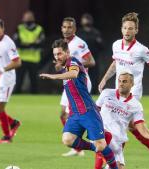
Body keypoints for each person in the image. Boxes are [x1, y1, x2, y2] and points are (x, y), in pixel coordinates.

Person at [98, 12, 149, 168]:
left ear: (136, 30)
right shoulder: (116, 45)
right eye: (125, 28)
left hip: (133, 92)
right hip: (118, 90)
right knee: (127, 125)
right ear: (121, 29)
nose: (127, 31)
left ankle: (112, 162)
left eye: (131, 28)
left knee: (120, 125)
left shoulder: (141, 49)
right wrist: (105, 79)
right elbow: (115, 63)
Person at [40, 39, 119, 169]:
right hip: (75, 113)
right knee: (67, 139)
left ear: (67, 52)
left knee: (101, 146)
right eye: (55, 54)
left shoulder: (73, 62)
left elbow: (74, 73)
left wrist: (53, 76)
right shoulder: (65, 66)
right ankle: (97, 147)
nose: (57, 57)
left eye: (60, 54)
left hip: (88, 111)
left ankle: (113, 166)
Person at [95, 71, 149, 169]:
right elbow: (95, 111)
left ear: (132, 84)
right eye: (119, 81)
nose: (121, 84)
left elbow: (140, 127)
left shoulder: (136, 106)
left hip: (118, 142)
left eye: (124, 81)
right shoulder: (106, 93)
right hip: (103, 137)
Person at [58, 17, 95, 157]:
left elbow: (91, 62)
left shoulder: (79, 43)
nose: (66, 30)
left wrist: (75, 66)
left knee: (73, 113)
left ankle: (90, 143)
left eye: (69, 27)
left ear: (74, 29)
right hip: (68, 82)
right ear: (61, 28)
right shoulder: (62, 44)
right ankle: (76, 145)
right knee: (63, 113)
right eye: (64, 27)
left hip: (80, 82)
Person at [0, 18, 22, 143]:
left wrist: (3, 69)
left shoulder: (8, 43)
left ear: (3, 28)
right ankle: (13, 122)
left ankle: (7, 136)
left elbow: (17, 62)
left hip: (6, 79)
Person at [14, 10, 45, 94]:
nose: (28, 19)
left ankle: (35, 98)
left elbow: (41, 44)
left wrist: (25, 44)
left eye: (30, 17)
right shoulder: (19, 28)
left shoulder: (39, 29)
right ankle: (16, 96)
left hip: (34, 60)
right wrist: (33, 43)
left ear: (33, 18)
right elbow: (17, 44)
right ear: (23, 19)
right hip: (21, 59)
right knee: (19, 81)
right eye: (26, 18)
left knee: (34, 81)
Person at [78, 13, 104, 94]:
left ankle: (93, 93)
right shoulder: (79, 33)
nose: (86, 21)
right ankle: (82, 92)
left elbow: (102, 46)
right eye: (84, 19)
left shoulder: (95, 32)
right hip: (82, 59)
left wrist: (98, 42)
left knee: (94, 77)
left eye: (88, 19)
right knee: (82, 75)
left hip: (93, 58)